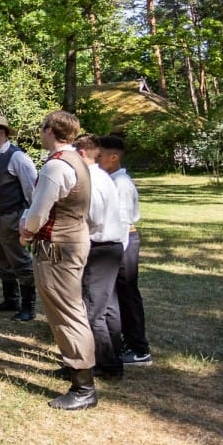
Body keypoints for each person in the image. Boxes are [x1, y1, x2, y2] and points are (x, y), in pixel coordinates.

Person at [19, 111, 95, 411]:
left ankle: (84, 386)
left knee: (67, 310)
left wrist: (26, 232)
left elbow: (39, 212)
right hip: (70, 240)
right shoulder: (76, 159)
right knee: (63, 308)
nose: (40, 133)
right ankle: (73, 365)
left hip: (58, 246)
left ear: (50, 130)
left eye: (42, 128)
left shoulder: (57, 166)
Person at [72, 134, 127, 379]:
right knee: (100, 308)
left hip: (100, 247)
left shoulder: (93, 179)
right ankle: (101, 357)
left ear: (82, 153)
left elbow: (93, 217)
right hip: (107, 247)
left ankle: (109, 364)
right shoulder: (101, 177)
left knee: (92, 311)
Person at [0, 113, 39, 320]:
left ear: (2, 131)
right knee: (0, 258)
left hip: (10, 216)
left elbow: (32, 189)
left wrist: (28, 217)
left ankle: (28, 306)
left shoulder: (17, 157)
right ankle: (10, 299)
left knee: (19, 259)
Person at [98, 135, 152, 367]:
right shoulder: (111, 180)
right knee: (118, 295)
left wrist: (116, 253)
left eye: (100, 156)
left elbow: (121, 220)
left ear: (114, 157)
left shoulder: (122, 184)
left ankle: (140, 349)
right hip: (119, 241)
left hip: (124, 241)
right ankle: (123, 341)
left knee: (128, 294)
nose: (97, 160)